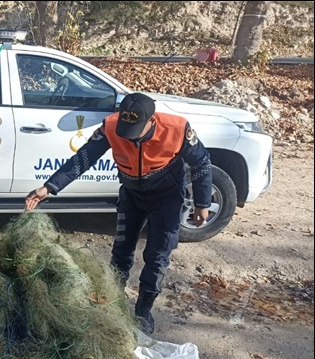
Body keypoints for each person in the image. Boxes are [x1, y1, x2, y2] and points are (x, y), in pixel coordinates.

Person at [24, 93, 212, 335]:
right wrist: (50, 187)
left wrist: (202, 203)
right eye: (126, 127)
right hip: (132, 196)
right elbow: (84, 158)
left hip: (166, 198)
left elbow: (202, 163)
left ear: (152, 121)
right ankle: (113, 301)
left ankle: (143, 309)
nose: (128, 134)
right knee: (121, 252)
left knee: (157, 255)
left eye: (135, 129)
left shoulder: (177, 129)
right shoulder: (111, 126)